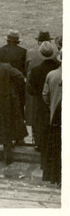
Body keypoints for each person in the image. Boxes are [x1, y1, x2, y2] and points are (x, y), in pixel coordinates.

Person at [27, 42, 59, 170]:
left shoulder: (36, 70)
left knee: (44, 134)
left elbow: (31, 90)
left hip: (41, 107)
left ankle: (44, 163)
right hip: (57, 106)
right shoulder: (59, 67)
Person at [41, 54, 61, 185]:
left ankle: (57, 177)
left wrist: (51, 105)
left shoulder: (52, 75)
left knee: (57, 148)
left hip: (55, 116)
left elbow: (45, 95)